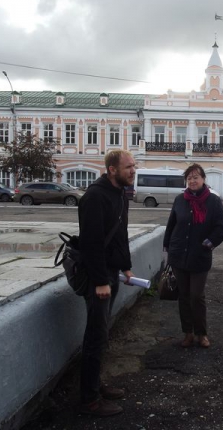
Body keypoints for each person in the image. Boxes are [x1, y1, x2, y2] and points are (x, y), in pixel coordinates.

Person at [77, 149, 136, 417]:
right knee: (95, 337)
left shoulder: (120, 195)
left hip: (112, 272)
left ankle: (95, 385)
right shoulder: (94, 197)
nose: (133, 171)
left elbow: (119, 234)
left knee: (102, 335)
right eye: (128, 167)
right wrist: (101, 282)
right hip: (97, 277)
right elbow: (91, 243)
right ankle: (89, 400)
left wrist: (126, 265)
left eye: (134, 166)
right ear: (112, 169)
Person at [164, 163, 223, 349]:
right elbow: (171, 225)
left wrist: (208, 243)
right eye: (189, 178)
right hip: (179, 256)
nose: (192, 180)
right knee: (183, 296)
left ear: (203, 179)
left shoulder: (213, 201)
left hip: (200, 256)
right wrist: (167, 247)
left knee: (196, 296)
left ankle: (202, 333)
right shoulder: (179, 200)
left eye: (195, 177)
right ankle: (188, 333)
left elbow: (221, 228)